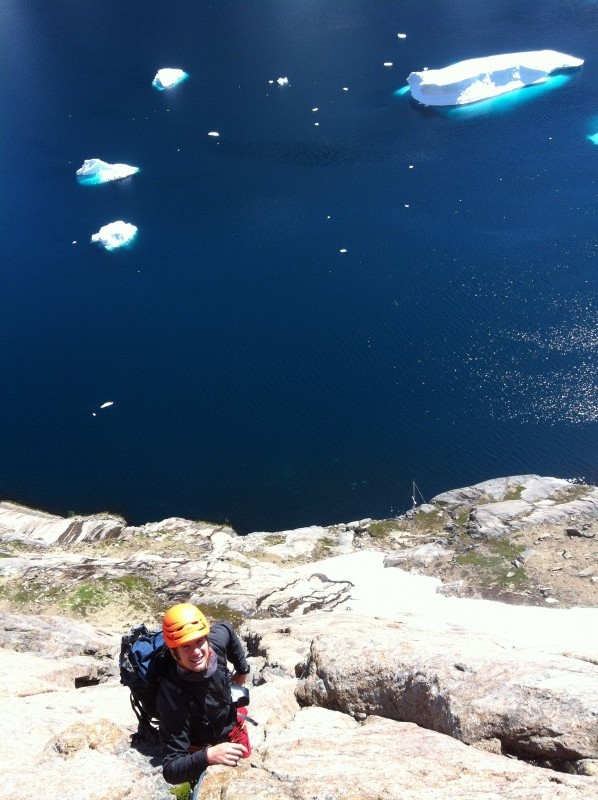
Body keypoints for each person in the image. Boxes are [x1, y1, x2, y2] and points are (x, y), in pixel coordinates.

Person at [157, 602, 251, 798]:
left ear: (207, 639)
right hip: (202, 746)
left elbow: (226, 627)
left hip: (233, 728)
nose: (197, 652)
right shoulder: (172, 696)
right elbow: (171, 769)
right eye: (186, 647)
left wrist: (242, 670)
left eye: (200, 641)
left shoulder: (215, 644)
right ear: (175, 654)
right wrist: (208, 756)